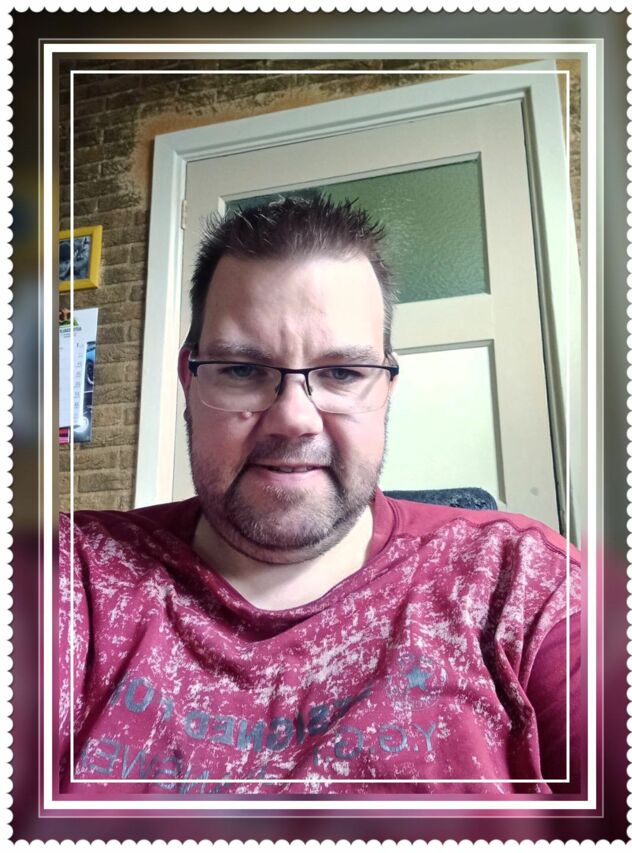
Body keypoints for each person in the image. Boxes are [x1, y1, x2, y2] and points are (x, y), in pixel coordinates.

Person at [58, 196, 581, 798]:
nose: (294, 419)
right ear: (189, 381)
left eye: (342, 373)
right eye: (241, 369)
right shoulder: (73, 575)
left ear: (386, 390)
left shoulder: (521, 585)